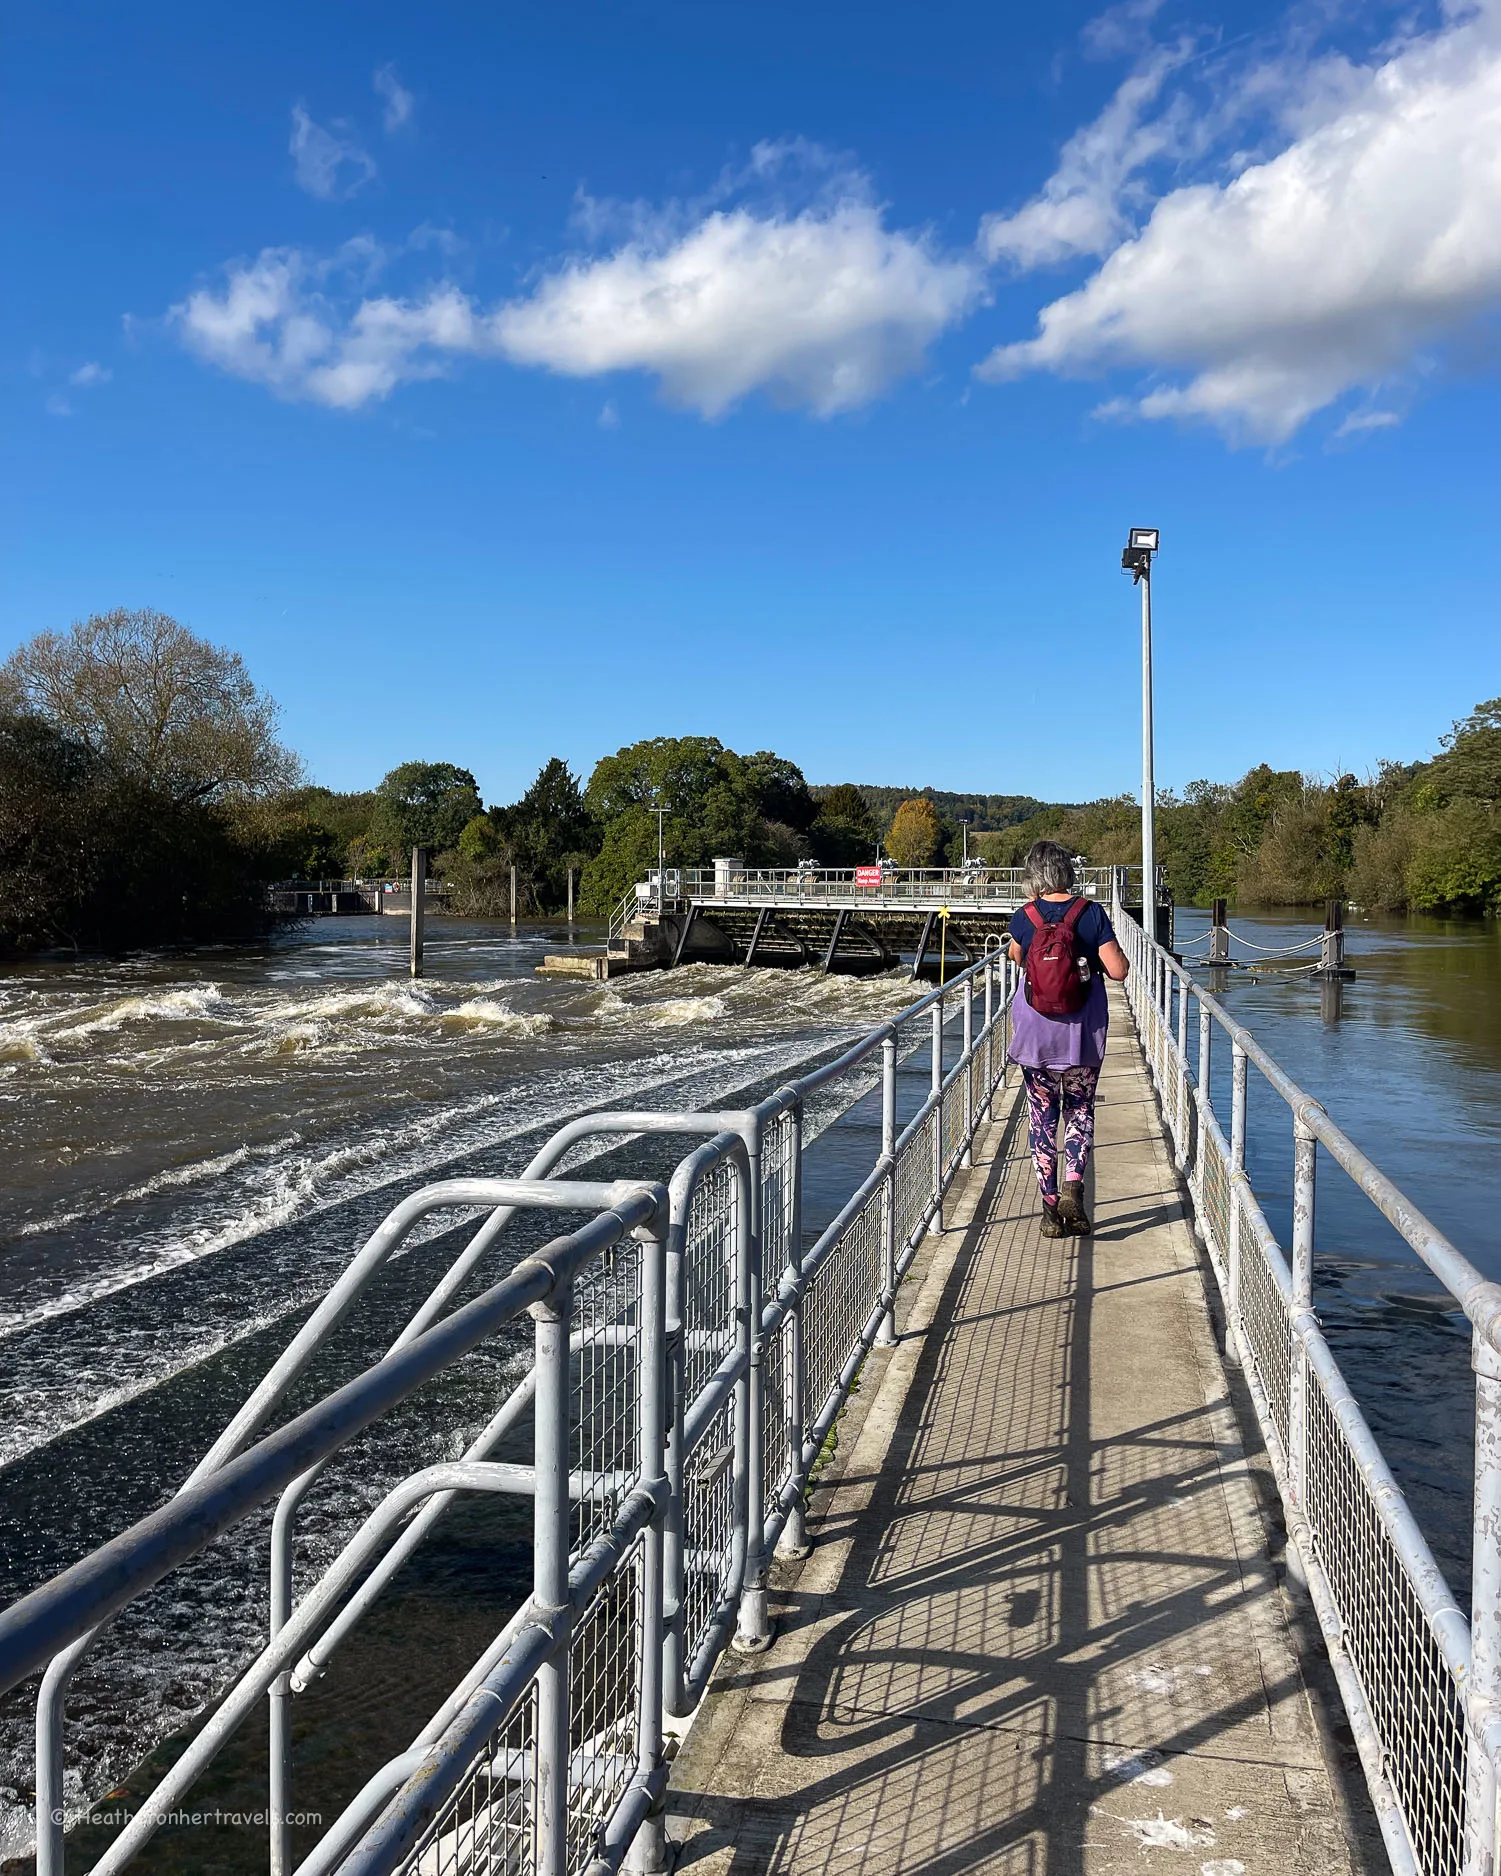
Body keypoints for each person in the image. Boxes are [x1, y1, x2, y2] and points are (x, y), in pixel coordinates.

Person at [1006, 841, 1130, 1237]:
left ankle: (1049, 1211)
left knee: (1042, 1117)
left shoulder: (1025, 915)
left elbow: (1016, 956)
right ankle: (1074, 1186)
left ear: (1033, 875)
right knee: (1079, 1110)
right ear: (1067, 872)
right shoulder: (1090, 913)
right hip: (1082, 1032)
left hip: (1036, 1031)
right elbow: (1118, 971)